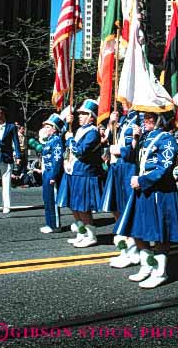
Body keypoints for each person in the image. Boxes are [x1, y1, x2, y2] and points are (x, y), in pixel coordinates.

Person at [114, 112, 178, 289]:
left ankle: (160, 272)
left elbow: (165, 168)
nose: (146, 122)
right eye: (145, 119)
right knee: (137, 230)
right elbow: (132, 158)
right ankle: (147, 266)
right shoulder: (144, 137)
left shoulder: (167, 138)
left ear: (160, 120)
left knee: (160, 233)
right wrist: (135, 139)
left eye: (150, 119)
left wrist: (142, 181)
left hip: (159, 191)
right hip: (141, 189)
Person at [101, 108, 143, 269]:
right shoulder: (124, 119)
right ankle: (125, 246)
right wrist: (111, 123)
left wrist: (121, 150)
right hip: (116, 168)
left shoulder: (139, 119)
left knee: (127, 210)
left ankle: (132, 251)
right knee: (116, 208)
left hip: (128, 169)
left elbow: (137, 148)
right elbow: (109, 140)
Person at [64, 99, 103, 248]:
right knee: (75, 206)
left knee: (83, 207)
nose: (80, 116)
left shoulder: (92, 132)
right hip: (75, 172)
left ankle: (91, 235)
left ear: (92, 117)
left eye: (84, 114)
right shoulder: (80, 130)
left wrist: (70, 140)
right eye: (79, 113)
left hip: (85, 173)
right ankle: (82, 233)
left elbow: (81, 151)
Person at [40, 114, 64, 234]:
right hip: (46, 172)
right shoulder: (49, 141)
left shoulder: (56, 140)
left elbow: (57, 158)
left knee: (53, 200)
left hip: (51, 173)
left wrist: (54, 175)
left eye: (48, 127)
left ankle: (55, 225)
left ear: (54, 129)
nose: (45, 129)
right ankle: (49, 223)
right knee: (47, 199)